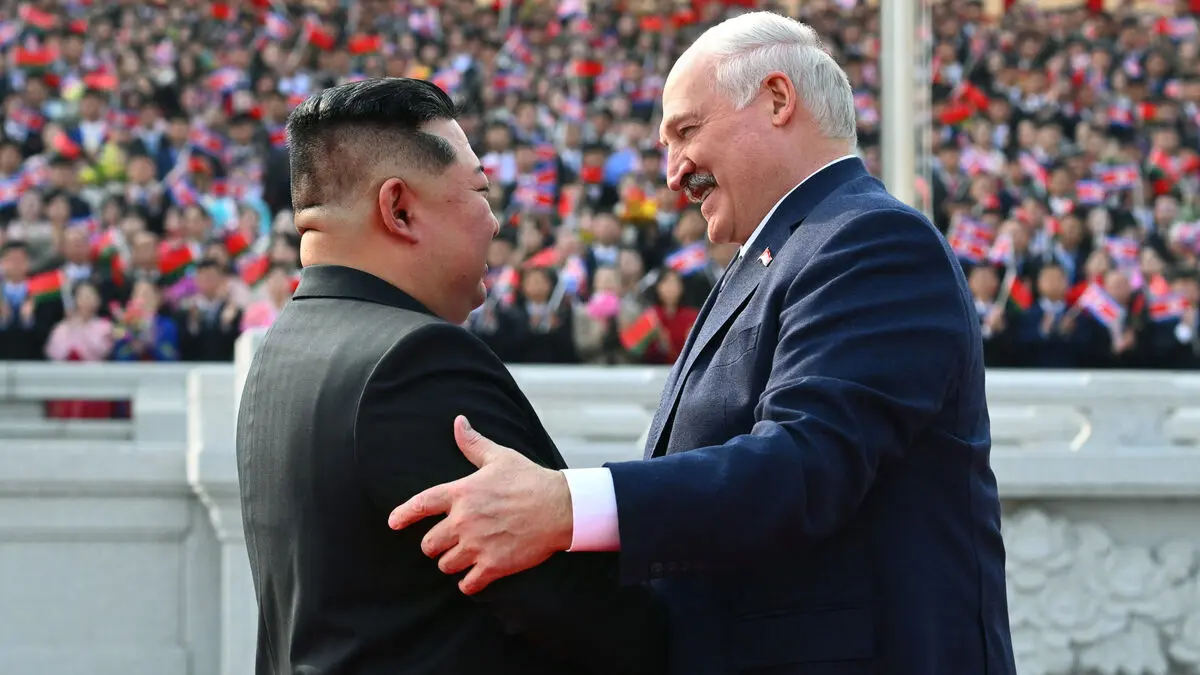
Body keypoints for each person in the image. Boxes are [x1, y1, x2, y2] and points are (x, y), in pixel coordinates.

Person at [387, 13, 1017, 675]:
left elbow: (805, 466)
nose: (671, 172)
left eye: (687, 130)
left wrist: (565, 505)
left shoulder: (873, 242)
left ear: (778, 100)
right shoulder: (775, 254)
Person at [235, 78, 665, 675]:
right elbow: (577, 608)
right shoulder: (414, 361)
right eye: (481, 192)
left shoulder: (286, 345)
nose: (495, 223)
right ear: (399, 208)